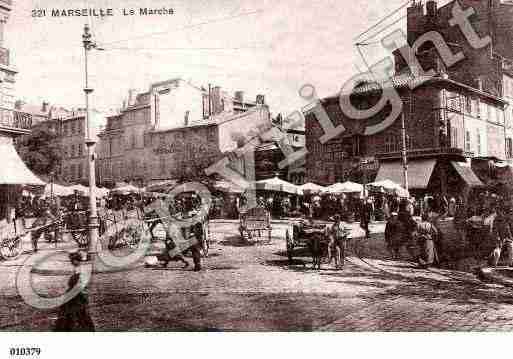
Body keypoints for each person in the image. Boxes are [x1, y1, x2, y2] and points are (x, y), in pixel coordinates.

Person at [54, 252, 95, 331]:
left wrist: (82, 294)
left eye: (73, 261)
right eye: (71, 261)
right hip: (73, 294)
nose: (71, 262)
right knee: (70, 312)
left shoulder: (81, 270)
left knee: (79, 312)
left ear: (77, 260)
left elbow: (82, 284)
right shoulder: (77, 268)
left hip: (78, 294)